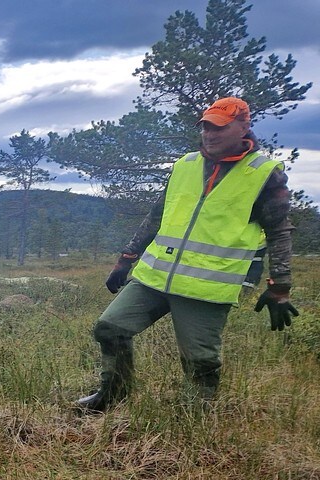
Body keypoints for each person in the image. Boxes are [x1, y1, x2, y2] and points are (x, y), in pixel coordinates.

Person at [76, 96, 298, 412]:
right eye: (206, 127)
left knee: (200, 360)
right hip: (155, 276)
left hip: (205, 287)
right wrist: (127, 257)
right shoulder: (186, 164)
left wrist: (280, 286)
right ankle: (113, 393)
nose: (209, 134)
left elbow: (279, 232)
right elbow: (157, 214)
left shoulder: (264, 174)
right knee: (110, 327)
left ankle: (195, 419)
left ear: (244, 126)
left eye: (219, 127)